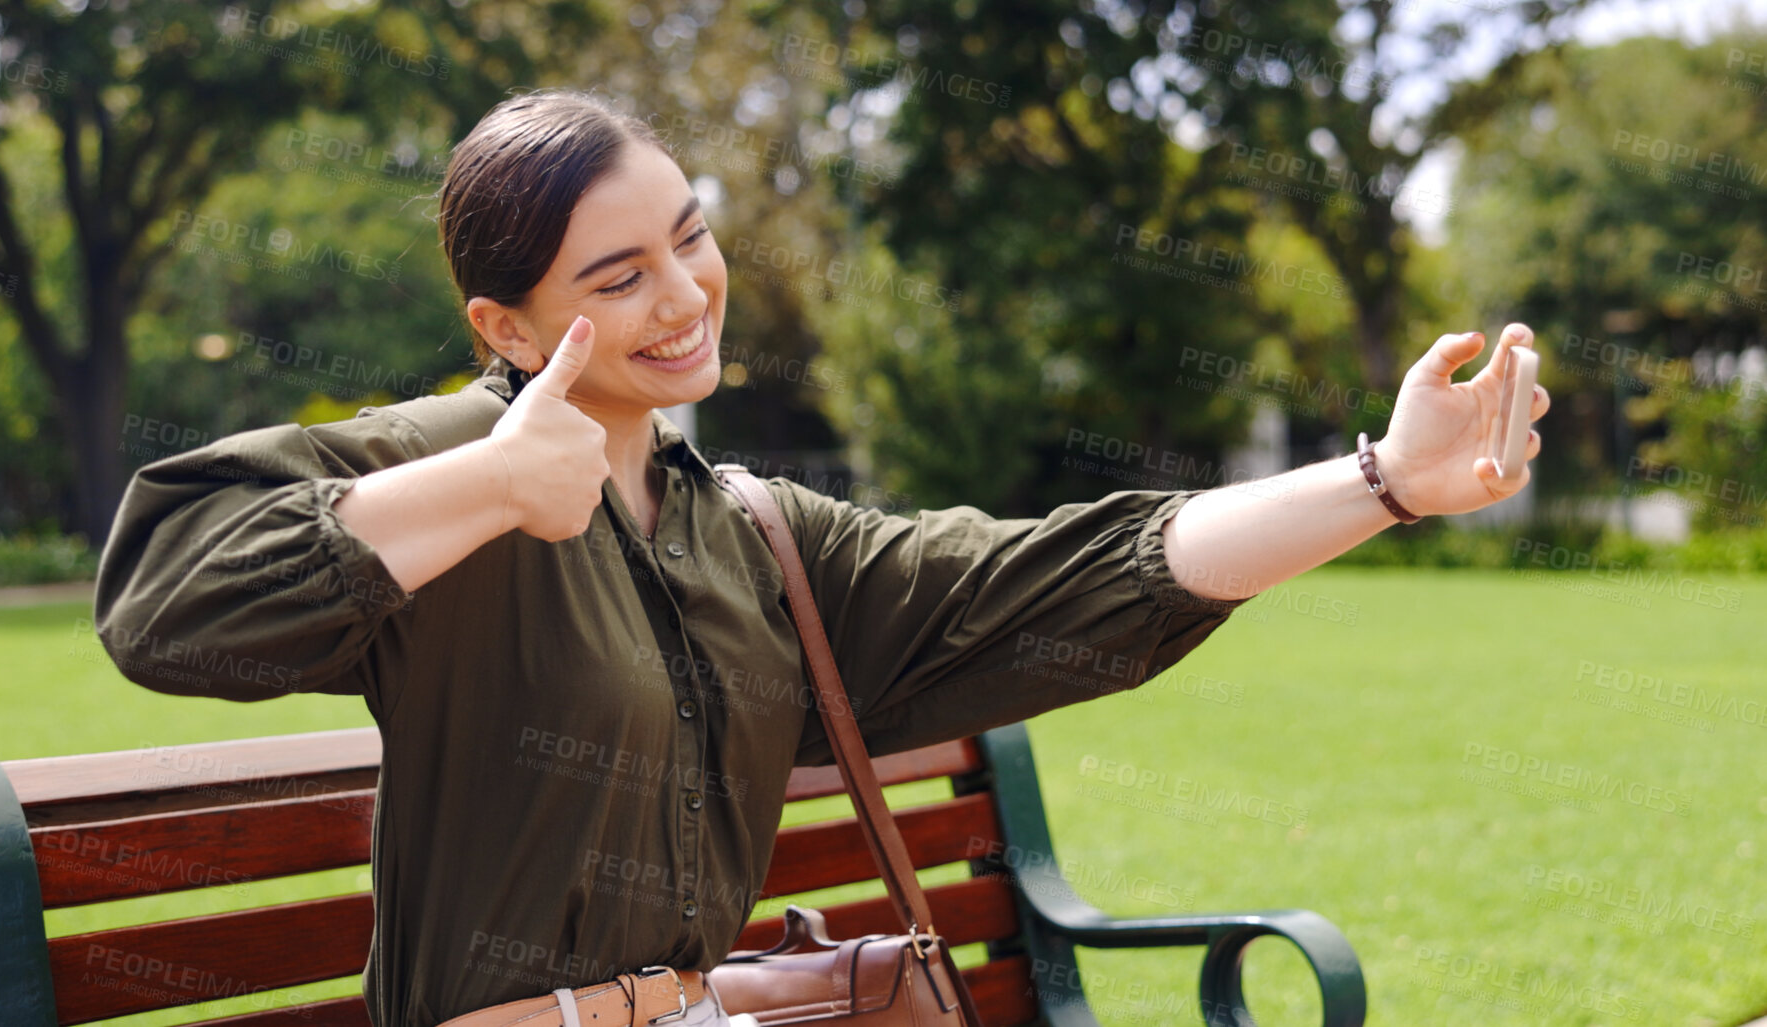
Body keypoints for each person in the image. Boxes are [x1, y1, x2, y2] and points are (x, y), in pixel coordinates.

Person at [94, 89, 1547, 1027]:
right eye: (617, 279)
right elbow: (165, 598)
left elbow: (1061, 580)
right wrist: (484, 483)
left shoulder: (755, 534)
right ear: (509, 329)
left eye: (689, 238)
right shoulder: (432, 464)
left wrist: (1386, 481)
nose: (683, 298)